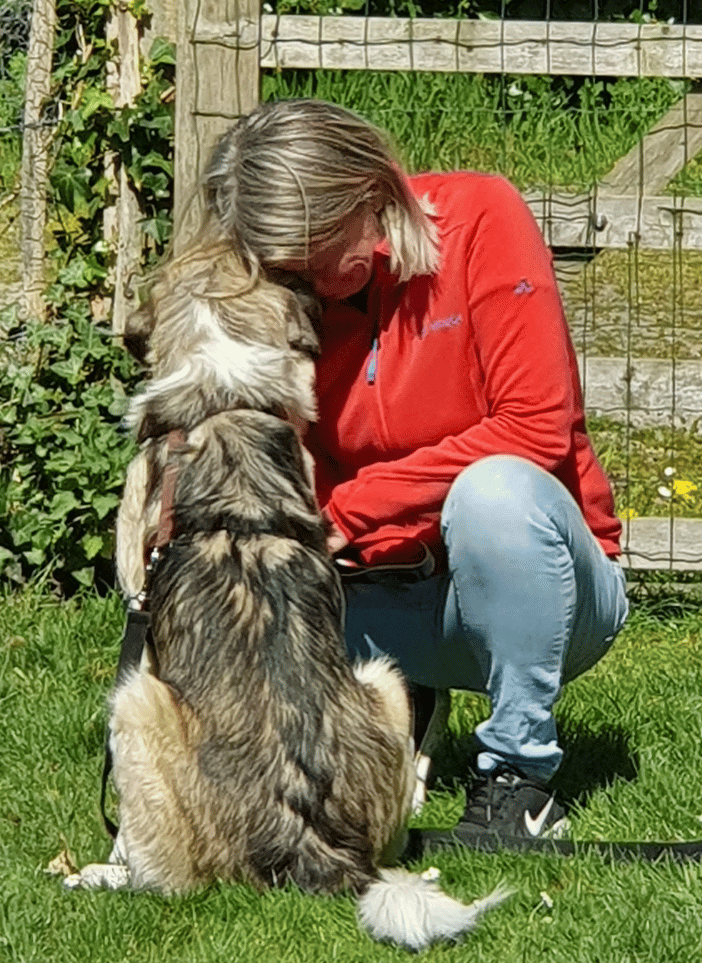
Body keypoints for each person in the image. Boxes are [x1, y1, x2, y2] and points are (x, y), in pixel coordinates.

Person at [200, 98, 628, 847]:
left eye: (308, 255)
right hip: (379, 589)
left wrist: (351, 511)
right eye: (276, 265)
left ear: (370, 196)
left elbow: (536, 427)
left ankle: (517, 782)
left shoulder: (480, 218)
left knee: (494, 492)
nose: (293, 280)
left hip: (544, 590)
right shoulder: (282, 291)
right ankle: (325, 747)